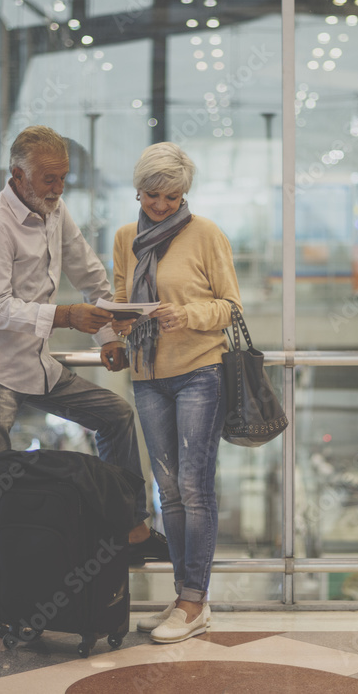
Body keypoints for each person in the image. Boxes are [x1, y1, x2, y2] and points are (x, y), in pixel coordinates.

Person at [0, 125, 169, 639]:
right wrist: (68, 317)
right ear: (17, 176)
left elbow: (91, 274)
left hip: (35, 364)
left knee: (115, 415)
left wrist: (110, 336)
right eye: (48, 178)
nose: (57, 187)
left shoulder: (55, 212)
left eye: (63, 177)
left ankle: (131, 527)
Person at [111, 142, 242, 644]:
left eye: (171, 196)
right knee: (167, 492)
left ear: (185, 192)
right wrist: (117, 322)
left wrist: (185, 313)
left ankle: (194, 600)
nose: (160, 205)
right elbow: (122, 300)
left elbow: (231, 307)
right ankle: (185, 596)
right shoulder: (127, 237)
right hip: (147, 375)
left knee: (193, 487)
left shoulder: (206, 234)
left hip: (198, 372)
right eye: (151, 196)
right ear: (138, 190)